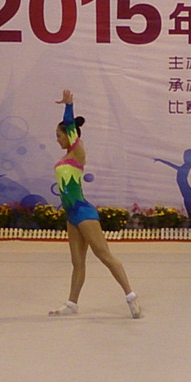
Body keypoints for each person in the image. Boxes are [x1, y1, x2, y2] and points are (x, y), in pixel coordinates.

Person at [48, 89, 141, 319]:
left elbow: (70, 126)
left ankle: (131, 297)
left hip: (83, 212)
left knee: (104, 255)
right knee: (77, 262)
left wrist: (68, 106)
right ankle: (72, 303)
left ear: (69, 136)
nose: (57, 139)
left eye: (59, 135)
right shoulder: (64, 158)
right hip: (71, 215)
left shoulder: (77, 154)